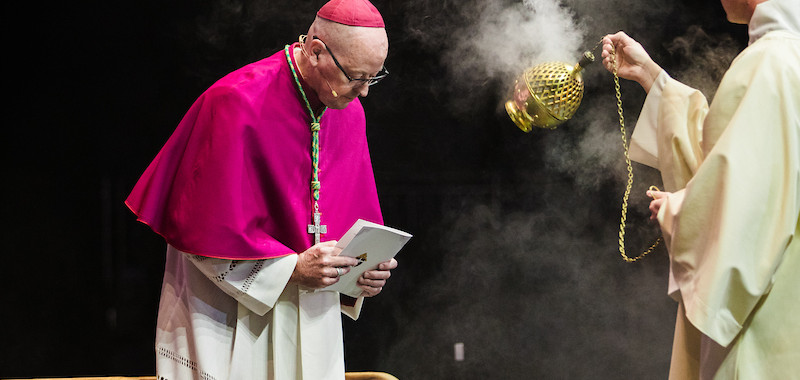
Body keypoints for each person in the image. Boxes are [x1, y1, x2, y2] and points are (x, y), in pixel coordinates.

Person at [125, 0, 398, 378]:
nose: (364, 92)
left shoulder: (347, 112)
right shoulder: (236, 100)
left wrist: (359, 273)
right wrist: (292, 270)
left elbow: (344, 230)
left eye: (374, 77)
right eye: (356, 76)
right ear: (316, 51)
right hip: (224, 316)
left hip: (309, 320)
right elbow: (199, 236)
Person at [601, 0, 799, 378]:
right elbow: (733, 162)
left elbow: (742, 215)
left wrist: (678, 210)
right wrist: (652, 77)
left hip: (770, 334)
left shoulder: (769, 61)